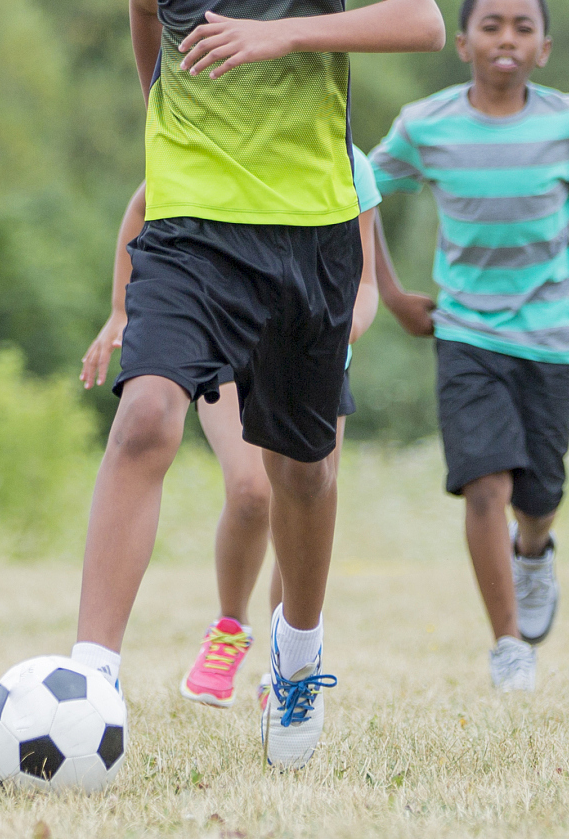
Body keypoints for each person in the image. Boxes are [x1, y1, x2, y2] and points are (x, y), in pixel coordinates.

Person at [72, 0, 444, 770]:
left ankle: (297, 651)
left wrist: (280, 33)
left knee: (301, 472)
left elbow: (419, 19)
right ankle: (90, 671)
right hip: (191, 225)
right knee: (145, 414)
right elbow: (145, 20)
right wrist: (163, 116)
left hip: (311, 230)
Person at [368, 0, 569, 692]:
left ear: (544, 48)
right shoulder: (425, 124)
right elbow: (357, 189)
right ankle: (508, 646)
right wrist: (390, 290)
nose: (506, 38)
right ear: (462, 43)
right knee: (482, 484)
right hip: (465, 330)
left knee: (537, 493)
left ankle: (536, 549)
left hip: (555, 333)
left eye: (523, 27)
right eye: (491, 25)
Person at [79, 145, 381, 713]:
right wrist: (121, 310)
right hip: (225, 335)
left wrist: (343, 331)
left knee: (302, 488)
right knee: (252, 492)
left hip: (308, 343)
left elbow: (365, 285)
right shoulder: (221, 127)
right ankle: (229, 628)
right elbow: (145, 205)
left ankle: (286, 657)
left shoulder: (348, 164)